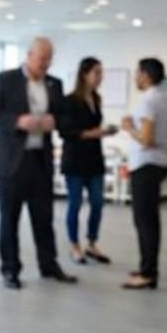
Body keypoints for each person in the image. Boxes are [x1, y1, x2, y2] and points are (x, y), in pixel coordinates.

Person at [0, 37, 76, 290]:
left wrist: (54, 121)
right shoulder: (4, 79)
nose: (46, 63)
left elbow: (65, 116)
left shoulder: (55, 84)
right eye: (42, 58)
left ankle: (49, 265)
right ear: (29, 55)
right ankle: (10, 269)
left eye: (49, 58)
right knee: (9, 218)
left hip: (40, 161)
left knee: (43, 218)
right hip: (11, 162)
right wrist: (17, 121)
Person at [120, 57, 167, 290]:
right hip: (161, 162)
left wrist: (128, 127)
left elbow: (145, 138)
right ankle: (147, 267)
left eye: (137, 73)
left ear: (145, 75)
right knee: (150, 219)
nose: (135, 77)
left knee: (144, 221)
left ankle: (148, 273)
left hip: (145, 165)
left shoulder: (148, 101)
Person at [58, 57, 117, 265]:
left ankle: (92, 242)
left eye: (101, 73)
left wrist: (104, 132)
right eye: (97, 73)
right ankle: (74, 245)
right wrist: (97, 133)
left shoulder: (96, 99)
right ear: (84, 74)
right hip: (75, 161)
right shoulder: (69, 101)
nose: (100, 77)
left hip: (94, 160)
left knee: (98, 203)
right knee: (75, 204)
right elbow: (67, 132)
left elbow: (94, 129)